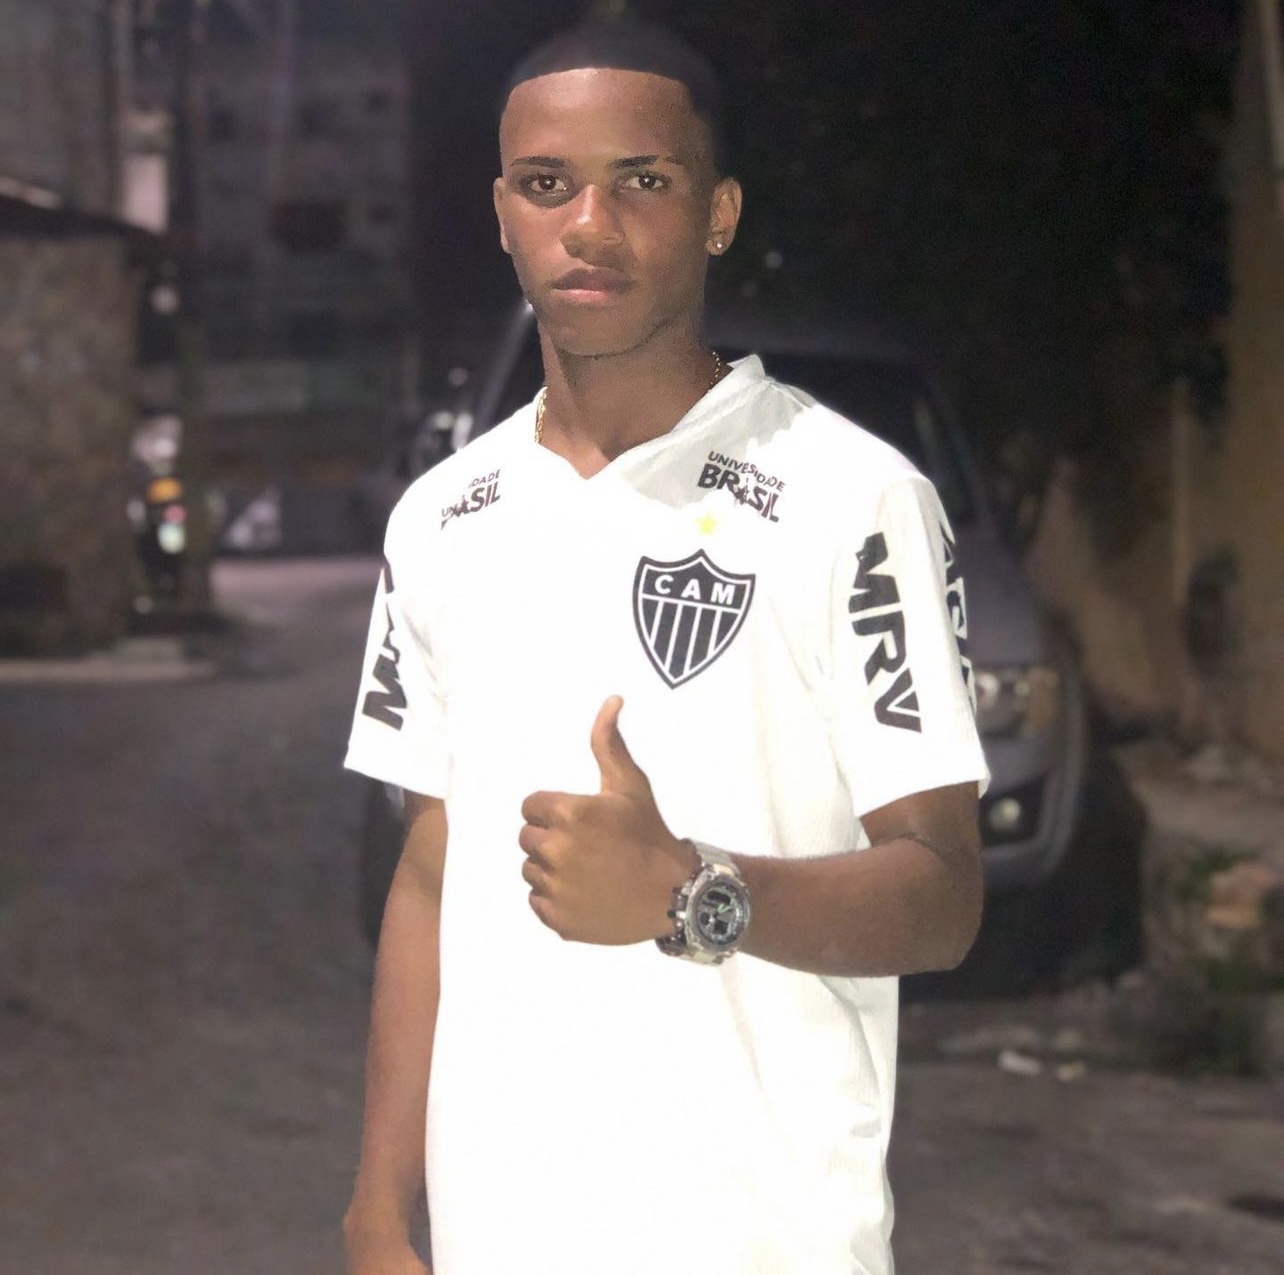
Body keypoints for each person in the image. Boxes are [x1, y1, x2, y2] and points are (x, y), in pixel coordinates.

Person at [343, 18, 988, 1275]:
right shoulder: (438, 519)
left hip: (763, 1240)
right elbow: (427, 874)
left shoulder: (852, 498)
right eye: (547, 184)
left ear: (718, 213)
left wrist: (692, 892)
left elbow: (942, 894)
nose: (590, 225)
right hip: (497, 1238)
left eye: (642, 180)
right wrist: (377, 1205)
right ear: (502, 214)